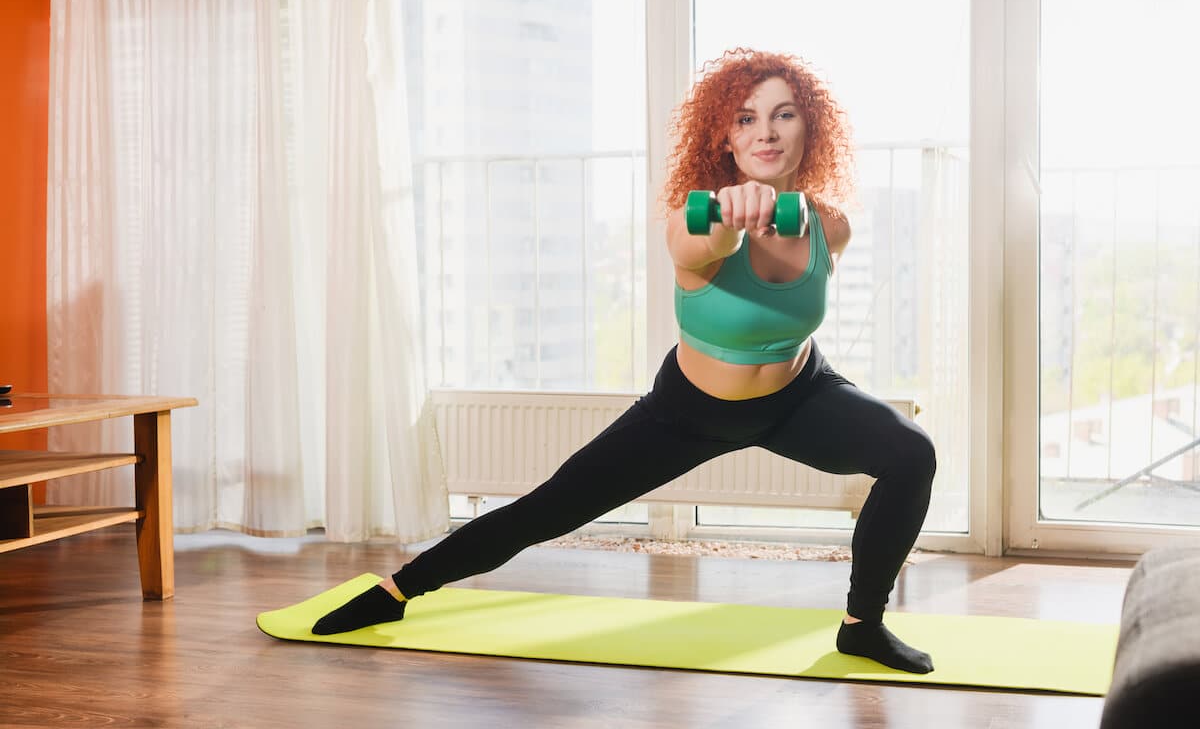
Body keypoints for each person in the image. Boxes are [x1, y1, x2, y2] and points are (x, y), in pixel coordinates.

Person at [313, 48, 937, 674]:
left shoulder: (830, 227)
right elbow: (701, 242)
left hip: (799, 395)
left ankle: (863, 626)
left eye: (784, 115)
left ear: (811, 128)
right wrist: (728, 212)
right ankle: (396, 591)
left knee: (911, 454)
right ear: (724, 136)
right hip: (690, 411)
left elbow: (784, 303)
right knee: (548, 509)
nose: (766, 132)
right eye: (745, 119)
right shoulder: (693, 218)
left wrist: (776, 213)